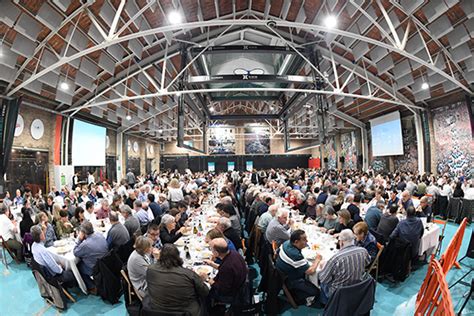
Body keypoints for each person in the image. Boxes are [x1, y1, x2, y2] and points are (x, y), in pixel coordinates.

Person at [146, 244, 209, 315]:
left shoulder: (150, 269)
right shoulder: (188, 274)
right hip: (185, 312)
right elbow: (205, 292)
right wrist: (201, 280)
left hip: (157, 311)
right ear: (178, 257)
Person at [319, 229, 371, 304]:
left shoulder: (335, 258)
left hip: (339, 293)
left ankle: (326, 304)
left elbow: (323, 279)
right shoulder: (363, 251)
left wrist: (323, 266)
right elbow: (367, 262)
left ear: (341, 242)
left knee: (322, 281)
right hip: (358, 287)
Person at [275, 230, 321, 306]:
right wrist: (317, 259)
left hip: (281, 273)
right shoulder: (295, 255)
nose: (307, 241)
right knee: (316, 291)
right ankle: (297, 295)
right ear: (296, 242)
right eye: (304, 239)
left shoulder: (286, 243)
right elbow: (310, 271)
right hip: (289, 280)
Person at [208, 238, 247, 306]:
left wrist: (208, 279)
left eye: (211, 249)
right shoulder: (233, 253)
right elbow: (225, 268)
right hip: (239, 285)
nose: (211, 251)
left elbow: (223, 289)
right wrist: (211, 264)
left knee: (205, 292)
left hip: (231, 295)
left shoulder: (227, 267)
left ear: (216, 253)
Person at [73, 221, 109, 291]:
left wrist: (79, 239)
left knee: (77, 266)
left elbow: (75, 252)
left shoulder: (85, 244)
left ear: (83, 233)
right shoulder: (100, 235)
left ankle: (92, 286)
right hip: (105, 264)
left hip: (95, 268)